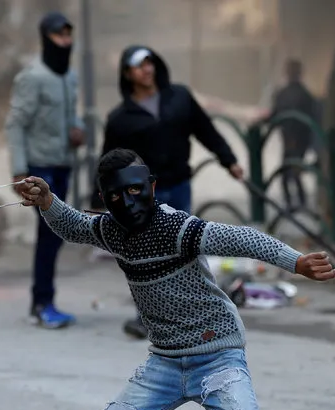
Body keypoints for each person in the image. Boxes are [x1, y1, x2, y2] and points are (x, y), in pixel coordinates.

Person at [17, 148, 335, 410]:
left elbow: (241, 238)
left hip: (218, 358)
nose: (127, 203)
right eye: (116, 196)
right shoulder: (110, 230)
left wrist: (296, 261)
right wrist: (48, 201)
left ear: (151, 187)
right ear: (104, 198)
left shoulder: (178, 229)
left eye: (134, 190)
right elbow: (75, 226)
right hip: (164, 365)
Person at [90, 45, 245, 338]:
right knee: (144, 254)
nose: (146, 70)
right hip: (141, 196)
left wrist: (230, 161)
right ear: (127, 74)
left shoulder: (180, 98)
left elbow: (206, 131)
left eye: (149, 63)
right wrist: (97, 198)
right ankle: (146, 317)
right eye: (138, 66)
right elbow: (108, 160)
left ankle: (192, 313)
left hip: (179, 185)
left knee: (183, 250)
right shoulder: (120, 118)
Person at [5, 11, 85, 329]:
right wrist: (19, 171)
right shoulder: (32, 77)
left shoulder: (70, 76)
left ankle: (44, 301)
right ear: (46, 38)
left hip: (63, 163)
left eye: (68, 35)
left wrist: (77, 129)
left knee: (56, 233)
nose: (64, 41)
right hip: (39, 167)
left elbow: (71, 114)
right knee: (49, 234)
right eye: (58, 35)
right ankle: (41, 303)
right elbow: (15, 124)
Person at [269, 59, 317, 210]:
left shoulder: (283, 94)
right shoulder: (305, 94)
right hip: (299, 139)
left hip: (291, 138)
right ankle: (298, 204)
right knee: (292, 172)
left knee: (288, 173)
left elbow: (274, 117)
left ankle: (293, 205)